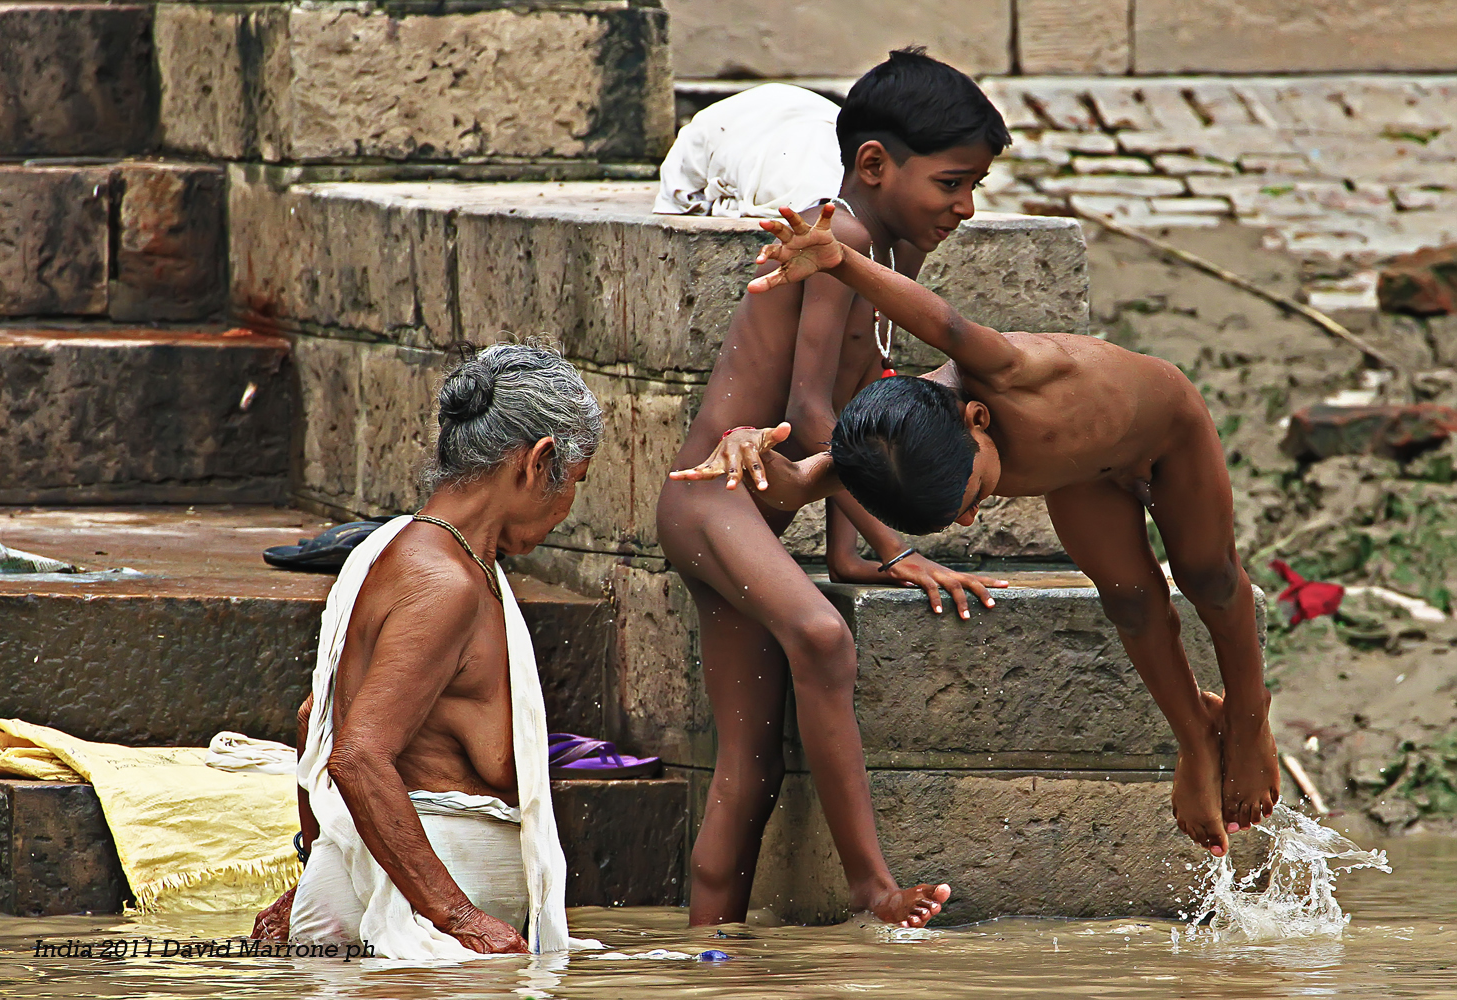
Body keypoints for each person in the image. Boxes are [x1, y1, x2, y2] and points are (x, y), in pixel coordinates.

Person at [673, 204, 1281, 858]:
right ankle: (1194, 739)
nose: (970, 517)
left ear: (979, 418)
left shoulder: (1008, 370)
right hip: (1082, 479)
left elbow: (946, 323)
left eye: (977, 495)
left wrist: (842, 262)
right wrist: (742, 442)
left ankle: (1248, 720)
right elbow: (793, 482)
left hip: (1168, 433)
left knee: (1209, 576)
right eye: (964, 516)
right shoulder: (877, 462)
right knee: (1132, 603)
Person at [655, 48, 1011, 928]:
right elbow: (818, 414)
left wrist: (855, 557)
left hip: (763, 508)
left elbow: (860, 398)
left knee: (752, 767)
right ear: (875, 164)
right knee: (819, 638)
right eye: (953, 184)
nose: (966, 209)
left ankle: (713, 960)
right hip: (712, 500)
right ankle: (869, 887)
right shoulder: (840, 236)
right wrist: (901, 547)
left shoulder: (891, 254)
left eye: (977, 187)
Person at [252, 343, 604, 958]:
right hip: (418, 931)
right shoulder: (446, 582)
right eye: (574, 482)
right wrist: (464, 919)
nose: (566, 510)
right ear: (537, 462)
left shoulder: (392, 548)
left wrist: (314, 864)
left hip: (373, 899)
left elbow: (317, 722)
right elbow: (357, 757)